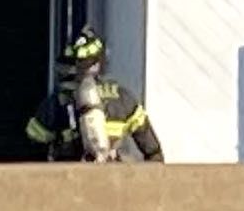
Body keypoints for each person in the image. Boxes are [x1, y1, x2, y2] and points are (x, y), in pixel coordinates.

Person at [25, 31, 162, 163]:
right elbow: (153, 151)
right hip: (115, 181)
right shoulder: (123, 98)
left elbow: (32, 143)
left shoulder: (57, 103)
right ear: (99, 63)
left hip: (71, 181)